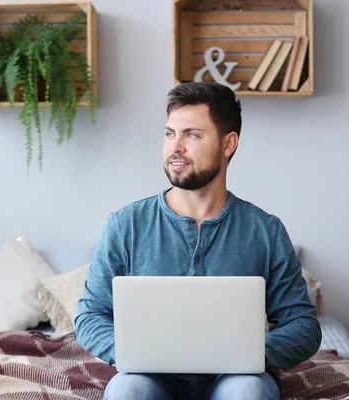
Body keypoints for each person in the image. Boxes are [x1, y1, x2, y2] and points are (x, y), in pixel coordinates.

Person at [74, 81, 321, 400]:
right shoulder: (125, 225)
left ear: (228, 143)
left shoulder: (265, 230)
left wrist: (254, 354)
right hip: (149, 376)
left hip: (236, 377)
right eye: (169, 134)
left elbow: (302, 324)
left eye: (191, 135)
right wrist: (127, 352)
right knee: (127, 390)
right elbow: (90, 316)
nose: (175, 147)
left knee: (248, 391)